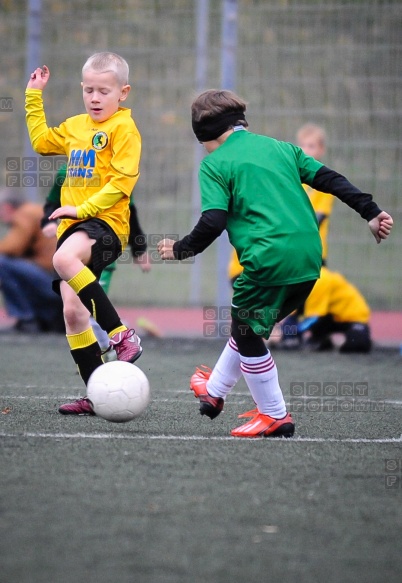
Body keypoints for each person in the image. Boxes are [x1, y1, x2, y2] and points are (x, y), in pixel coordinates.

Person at [157, 89, 393, 438]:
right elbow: (330, 179)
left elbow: (213, 221)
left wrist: (180, 249)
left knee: (246, 329)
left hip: (269, 259)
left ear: (207, 136)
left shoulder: (215, 163)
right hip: (310, 260)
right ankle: (215, 390)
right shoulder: (282, 148)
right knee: (247, 326)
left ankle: (274, 414)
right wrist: (370, 212)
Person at [25, 52, 143, 416]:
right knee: (73, 314)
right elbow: (42, 143)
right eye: (89, 89)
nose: (95, 97)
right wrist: (33, 96)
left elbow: (123, 185)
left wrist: (82, 209)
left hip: (105, 225)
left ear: (122, 93)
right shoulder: (76, 126)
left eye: (104, 91)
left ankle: (122, 335)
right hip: (73, 228)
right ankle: (97, 393)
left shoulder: (124, 129)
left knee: (62, 259)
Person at [229, 123, 373, 353]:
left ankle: (296, 333)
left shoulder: (321, 184)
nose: (306, 150)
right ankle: (285, 334)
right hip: (287, 252)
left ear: (321, 150)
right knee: (288, 296)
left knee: (310, 295)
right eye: (303, 145)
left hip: (312, 253)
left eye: (312, 146)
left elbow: (315, 218)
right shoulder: (292, 179)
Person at [41, 163, 151, 350]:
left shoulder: (118, 173)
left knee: (90, 309)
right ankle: (97, 358)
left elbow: (130, 213)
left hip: (102, 248)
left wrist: (139, 249)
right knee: (73, 312)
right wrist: (47, 222)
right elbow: (52, 202)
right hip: (71, 250)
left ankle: (114, 346)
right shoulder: (65, 171)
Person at [0, 189, 64, 333]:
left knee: (2, 263)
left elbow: (14, 247)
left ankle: (27, 319)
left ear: (7, 207)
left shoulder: (25, 213)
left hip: (52, 283)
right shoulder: (35, 211)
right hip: (62, 284)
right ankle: (43, 318)